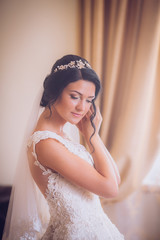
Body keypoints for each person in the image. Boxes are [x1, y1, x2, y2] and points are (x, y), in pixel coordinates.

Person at [2, 54, 124, 239]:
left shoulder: (62, 137)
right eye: (75, 96)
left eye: (89, 100)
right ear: (54, 93)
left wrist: (92, 135)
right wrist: (91, 138)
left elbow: (115, 179)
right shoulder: (46, 144)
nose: (82, 107)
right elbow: (110, 189)